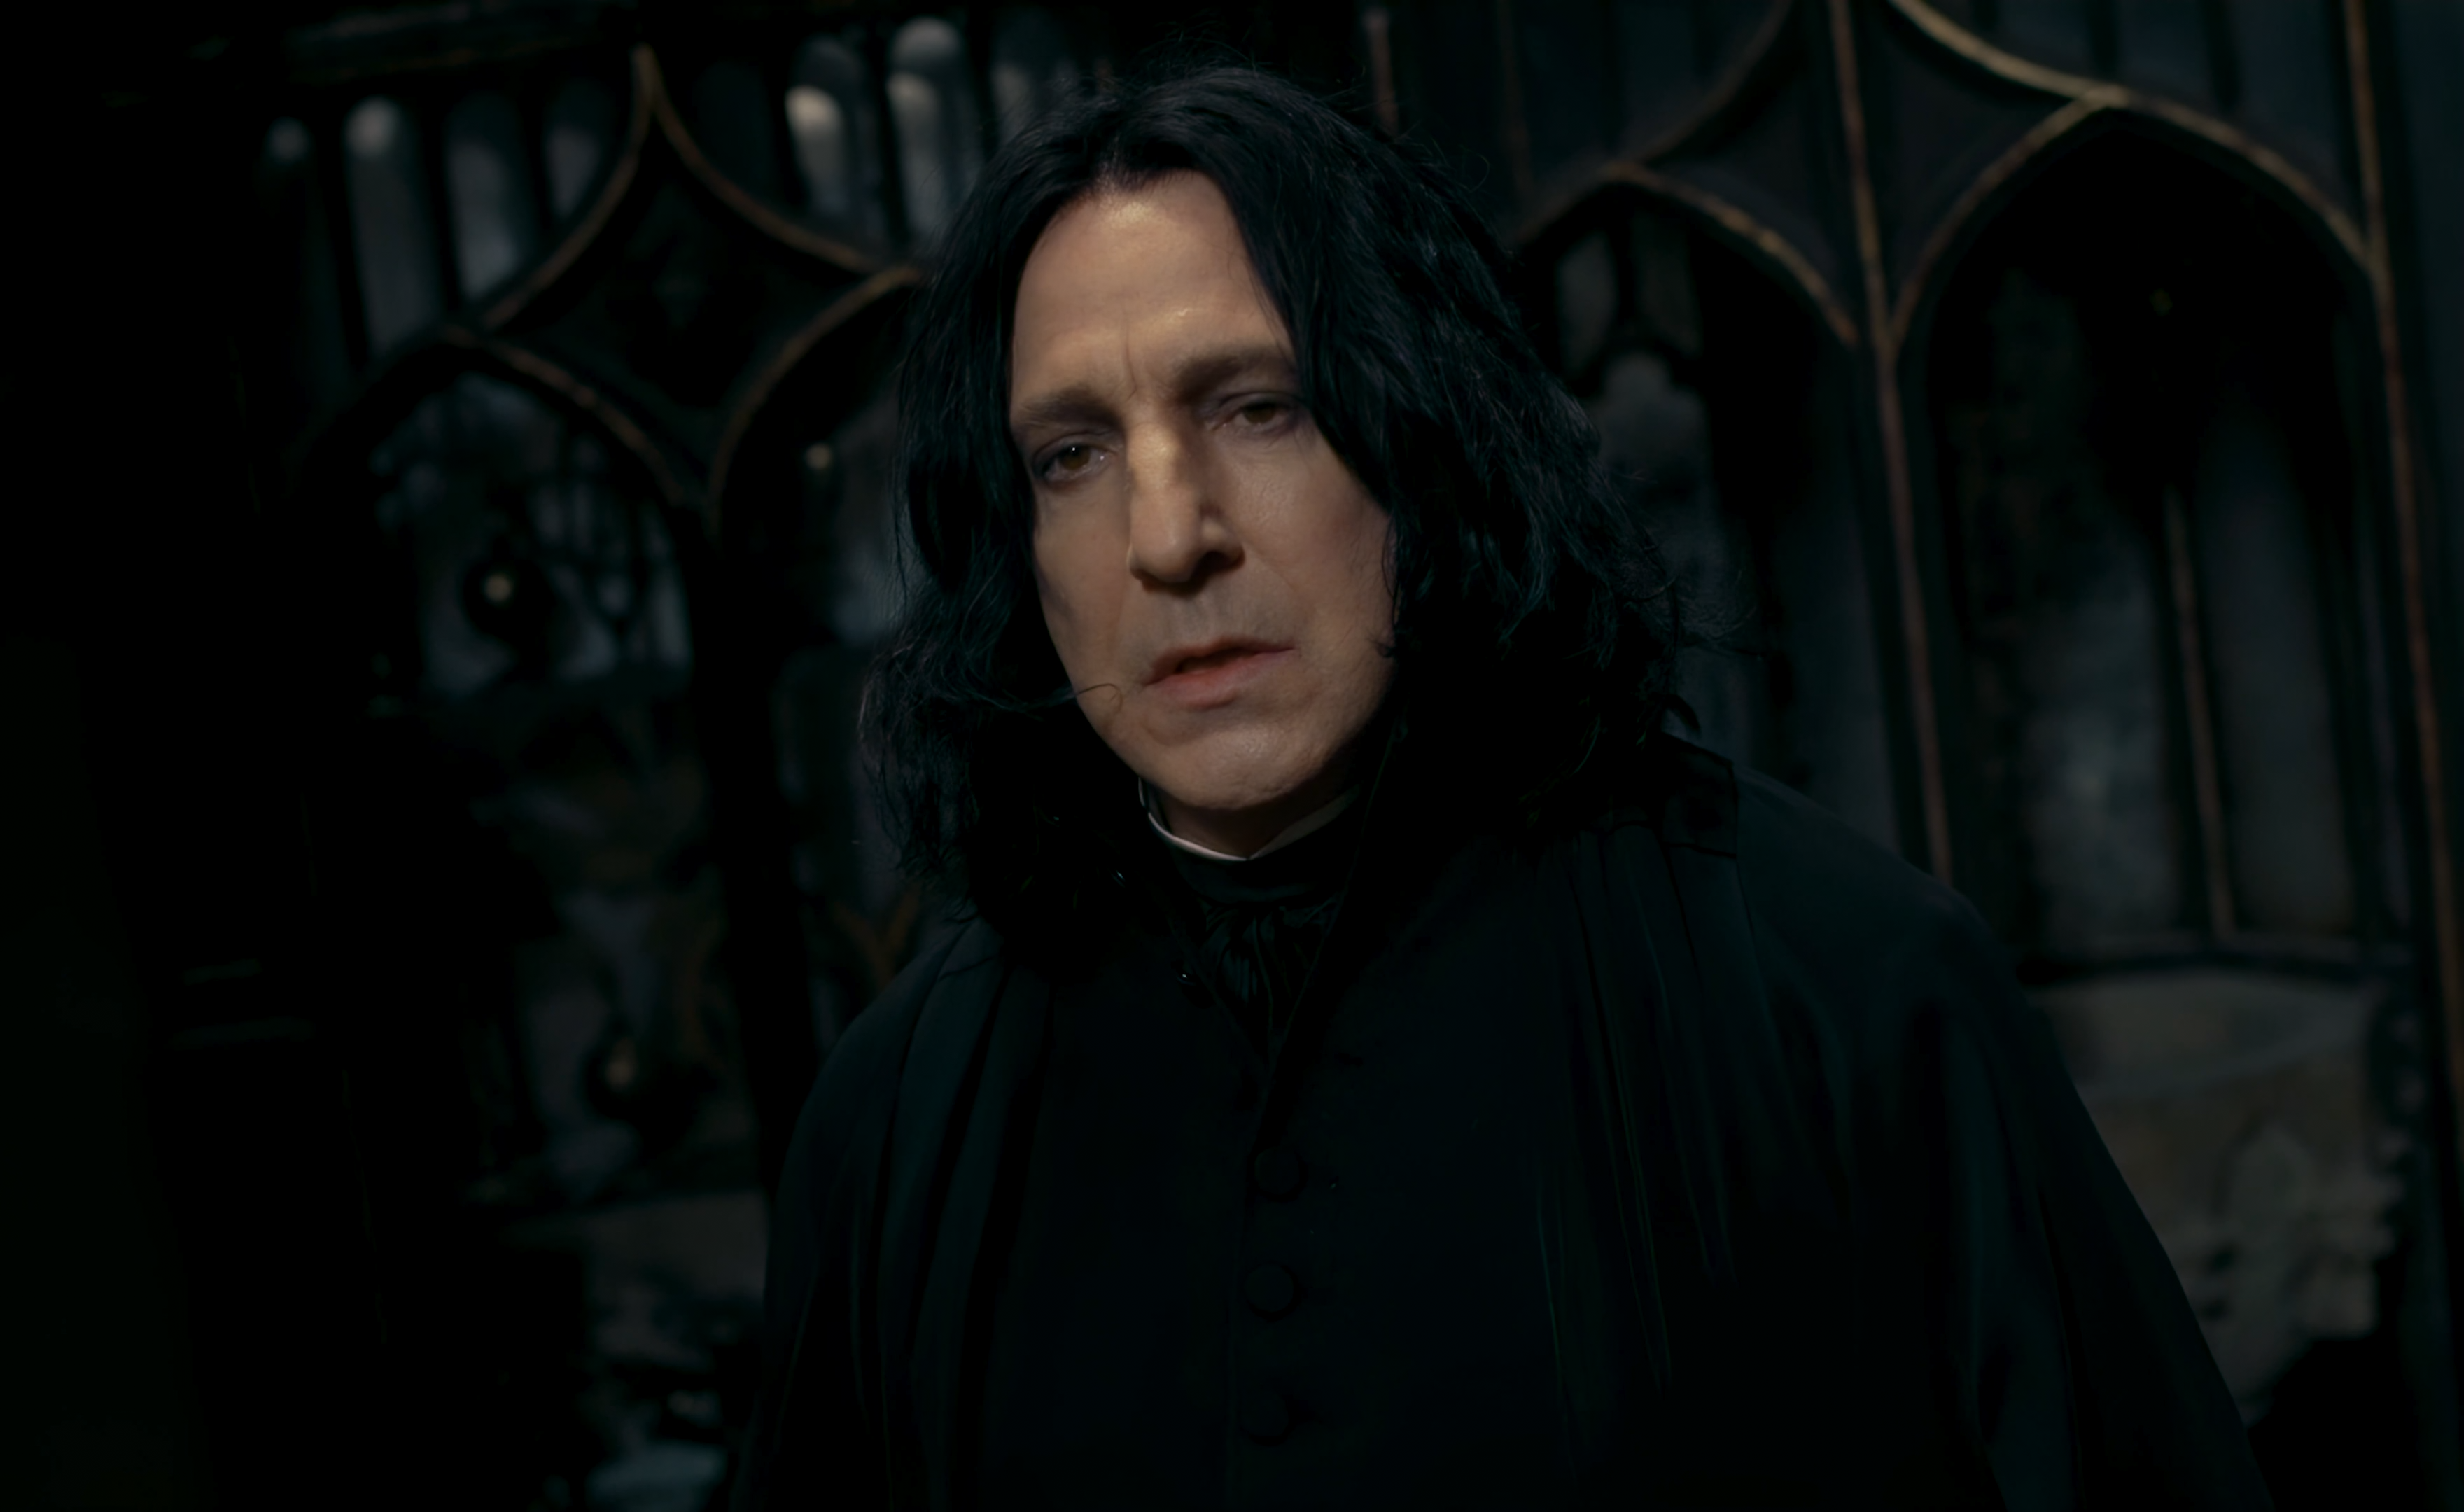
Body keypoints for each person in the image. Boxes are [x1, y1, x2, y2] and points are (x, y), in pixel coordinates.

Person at [733, 59, 2269, 1510]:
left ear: (1427, 432)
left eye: (1258, 407)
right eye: (1072, 454)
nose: (1168, 535)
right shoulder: (897, 1122)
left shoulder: (1841, 989)